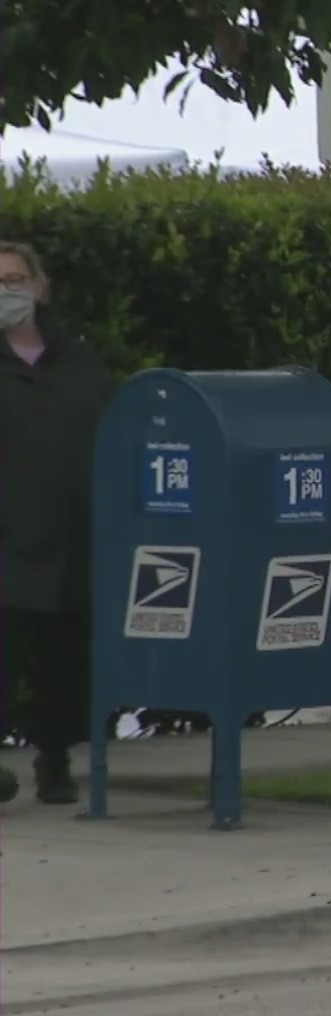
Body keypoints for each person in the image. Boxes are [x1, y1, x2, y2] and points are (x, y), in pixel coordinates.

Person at [0, 241, 113, 806]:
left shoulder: (79, 361)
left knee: (64, 666)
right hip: (8, 540)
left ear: (40, 289)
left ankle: (55, 762)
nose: (9, 292)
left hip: (73, 538)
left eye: (17, 280)